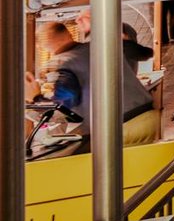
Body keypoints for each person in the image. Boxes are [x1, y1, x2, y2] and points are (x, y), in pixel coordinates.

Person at [27, 21, 159, 148]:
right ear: (69, 33)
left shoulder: (64, 63)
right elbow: (144, 53)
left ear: (41, 47)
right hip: (149, 116)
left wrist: (36, 98)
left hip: (121, 127)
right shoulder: (102, 45)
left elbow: (63, 109)